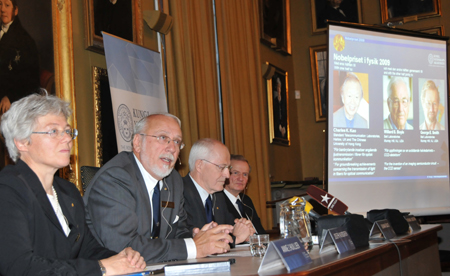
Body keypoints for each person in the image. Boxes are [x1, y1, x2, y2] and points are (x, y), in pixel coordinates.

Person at [0, 93, 146, 275]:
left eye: (68, 131)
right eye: (53, 131)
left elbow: (88, 249)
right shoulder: (7, 190)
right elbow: (19, 267)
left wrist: (121, 258)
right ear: (22, 142)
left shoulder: (67, 191)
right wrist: (102, 268)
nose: (67, 139)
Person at [84, 114, 233, 263]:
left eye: (177, 142)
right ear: (137, 142)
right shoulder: (116, 178)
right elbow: (124, 248)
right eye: (163, 138)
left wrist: (198, 237)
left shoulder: (173, 180)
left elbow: (178, 231)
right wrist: (193, 247)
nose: (172, 148)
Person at [183, 138, 255, 245]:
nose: (227, 175)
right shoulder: (179, 192)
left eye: (228, 168)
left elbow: (232, 226)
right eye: (221, 167)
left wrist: (244, 227)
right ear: (200, 165)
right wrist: (236, 239)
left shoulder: (218, 195)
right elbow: (186, 238)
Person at [0, 0, 40, 114]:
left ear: (15, 10)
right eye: (0, 4)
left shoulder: (25, 42)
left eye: (7, 5)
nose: (2, 9)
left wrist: (10, 97)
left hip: (13, 101)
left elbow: (30, 82)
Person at [221, 154, 266, 234]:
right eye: (235, 173)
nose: (241, 178)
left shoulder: (246, 200)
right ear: (225, 174)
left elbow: (261, 232)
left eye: (245, 174)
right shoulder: (218, 201)